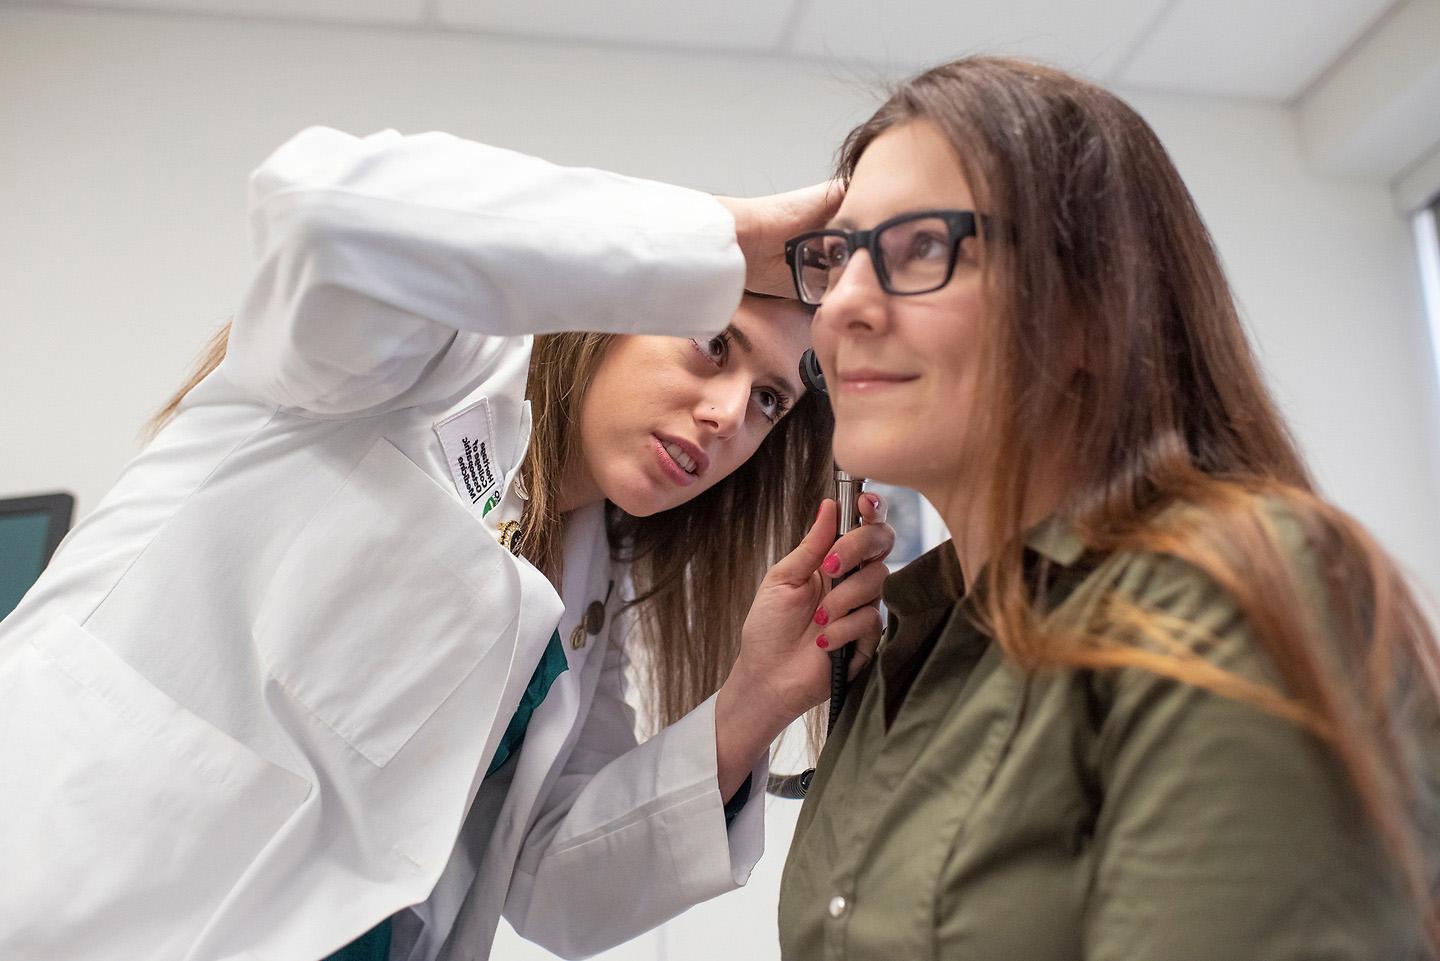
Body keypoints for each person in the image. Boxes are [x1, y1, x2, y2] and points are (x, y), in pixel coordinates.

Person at [0, 127, 895, 961]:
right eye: (712, 345)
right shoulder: (404, 371)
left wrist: (754, 700)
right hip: (77, 889)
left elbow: (549, 881)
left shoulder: (593, 585)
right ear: (618, 306)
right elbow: (325, 215)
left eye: (771, 400)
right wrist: (724, 236)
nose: (731, 414)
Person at [775, 57, 1440, 960]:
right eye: (837, 254)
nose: (843, 303)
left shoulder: (1230, 592)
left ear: (1094, 308)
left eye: (922, 246)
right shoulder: (901, 650)